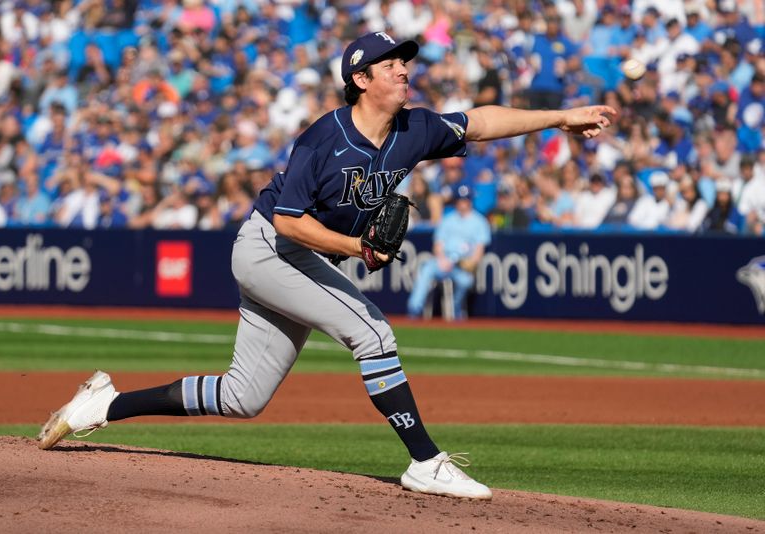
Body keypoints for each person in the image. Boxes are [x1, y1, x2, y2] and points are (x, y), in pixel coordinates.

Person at [38, 31, 615, 499]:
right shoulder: (324, 140)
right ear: (360, 80)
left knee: (244, 397)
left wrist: (561, 116)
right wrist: (357, 250)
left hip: (294, 257)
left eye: (404, 61)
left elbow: (482, 122)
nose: (403, 70)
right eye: (391, 64)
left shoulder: (413, 128)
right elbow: (288, 222)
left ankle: (103, 404)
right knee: (372, 331)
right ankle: (426, 461)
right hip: (268, 247)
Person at [406, 185, 491, 320]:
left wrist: (470, 263)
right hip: (443, 261)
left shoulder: (479, 221)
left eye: (466, 200)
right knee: (427, 269)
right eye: (460, 200)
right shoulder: (448, 219)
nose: (463, 203)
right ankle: (414, 310)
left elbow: (479, 251)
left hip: (462, 265)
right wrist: (443, 259)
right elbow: (438, 245)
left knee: (465, 281)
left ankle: (456, 312)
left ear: (470, 201)